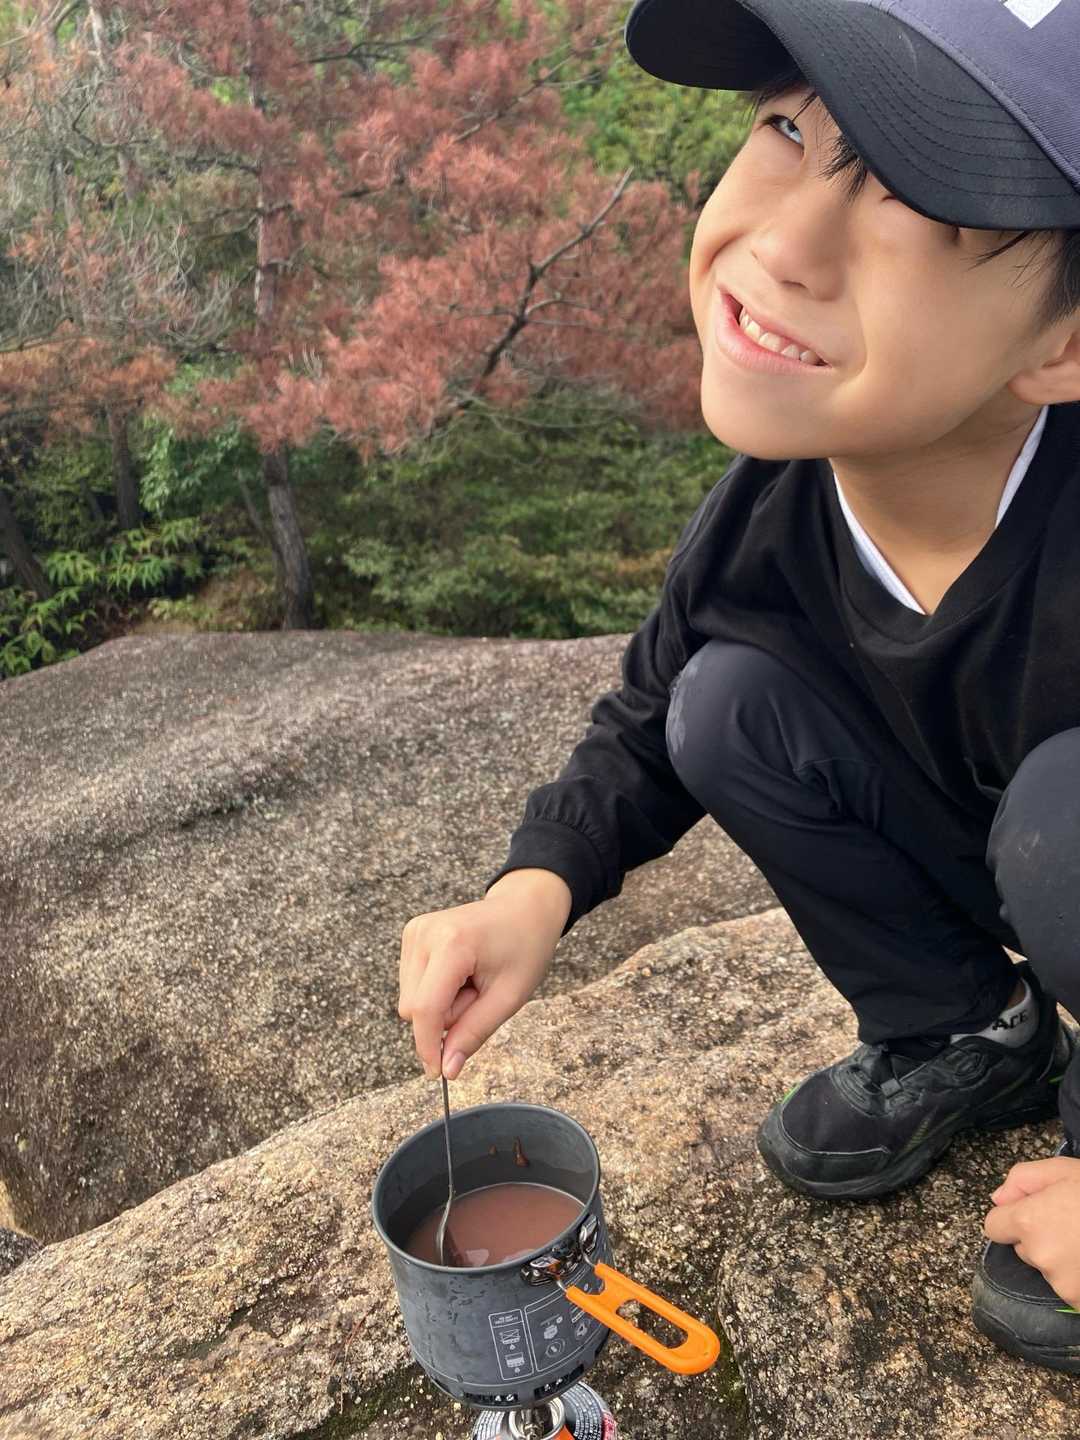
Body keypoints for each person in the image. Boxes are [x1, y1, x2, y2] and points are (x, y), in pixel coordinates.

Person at [398, 0, 1080, 1374]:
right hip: (995, 860)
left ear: (1061, 345)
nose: (783, 245)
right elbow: (654, 705)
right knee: (721, 702)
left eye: (926, 206)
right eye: (785, 128)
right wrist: (532, 890)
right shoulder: (781, 496)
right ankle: (965, 1027)